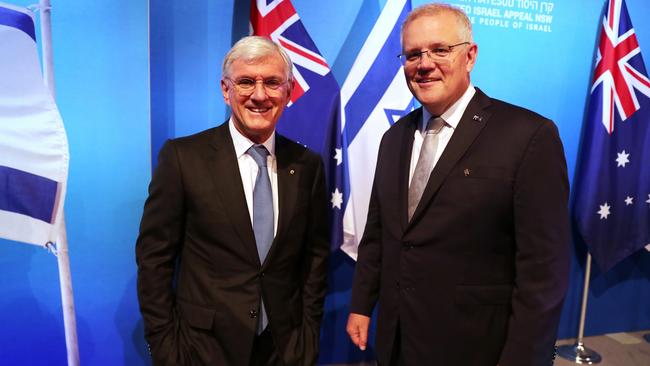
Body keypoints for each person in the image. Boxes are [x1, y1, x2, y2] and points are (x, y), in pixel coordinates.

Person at [346, 3, 570, 366]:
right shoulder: (394, 138)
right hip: (397, 342)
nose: (424, 63)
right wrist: (361, 305)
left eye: (439, 50)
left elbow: (544, 272)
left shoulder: (529, 136)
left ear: (470, 56)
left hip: (478, 348)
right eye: (413, 54)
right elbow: (379, 234)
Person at [136, 36, 329, 366]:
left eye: (272, 82)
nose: (259, 94)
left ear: (288, 91)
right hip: (202, 350)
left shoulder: (307, 165)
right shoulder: (184, 158)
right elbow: (154, 259)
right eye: (245, 82)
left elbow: (314, 259)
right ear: (226, 90)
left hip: (284, 350)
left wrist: (307, 339)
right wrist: (167, 349)